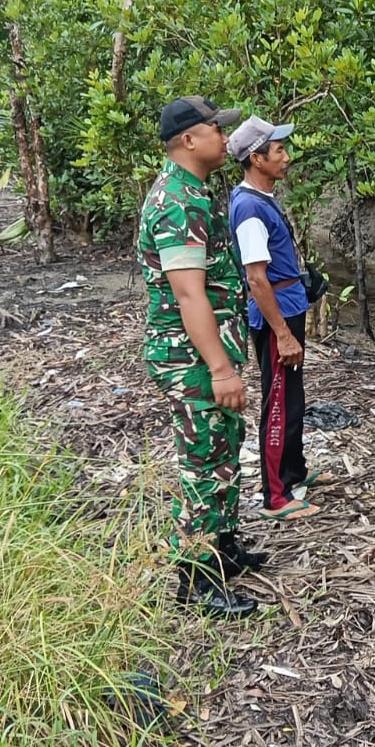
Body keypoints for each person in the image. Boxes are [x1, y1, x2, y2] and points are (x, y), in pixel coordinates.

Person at [137, 95, 266, 619]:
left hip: (208, 351)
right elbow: (189, 294)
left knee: (225, 445)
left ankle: (223, 547)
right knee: (203, 462)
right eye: (216, 129)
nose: (225, 137)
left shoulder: (196, 191)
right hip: (189, 357)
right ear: (189, 140)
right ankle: (194, 578)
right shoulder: (178, 202)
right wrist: (219, 368)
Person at [227, 116, 326, 521]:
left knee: (293, 398)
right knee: (279, 403)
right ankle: (276, 495)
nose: (287, 157)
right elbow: (255, 277)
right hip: (275, 318)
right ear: (256, 158)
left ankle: (293, 471)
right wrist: (282, 333)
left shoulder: (262, 199)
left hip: (288, 307)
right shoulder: (250, 208)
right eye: (279, 150)